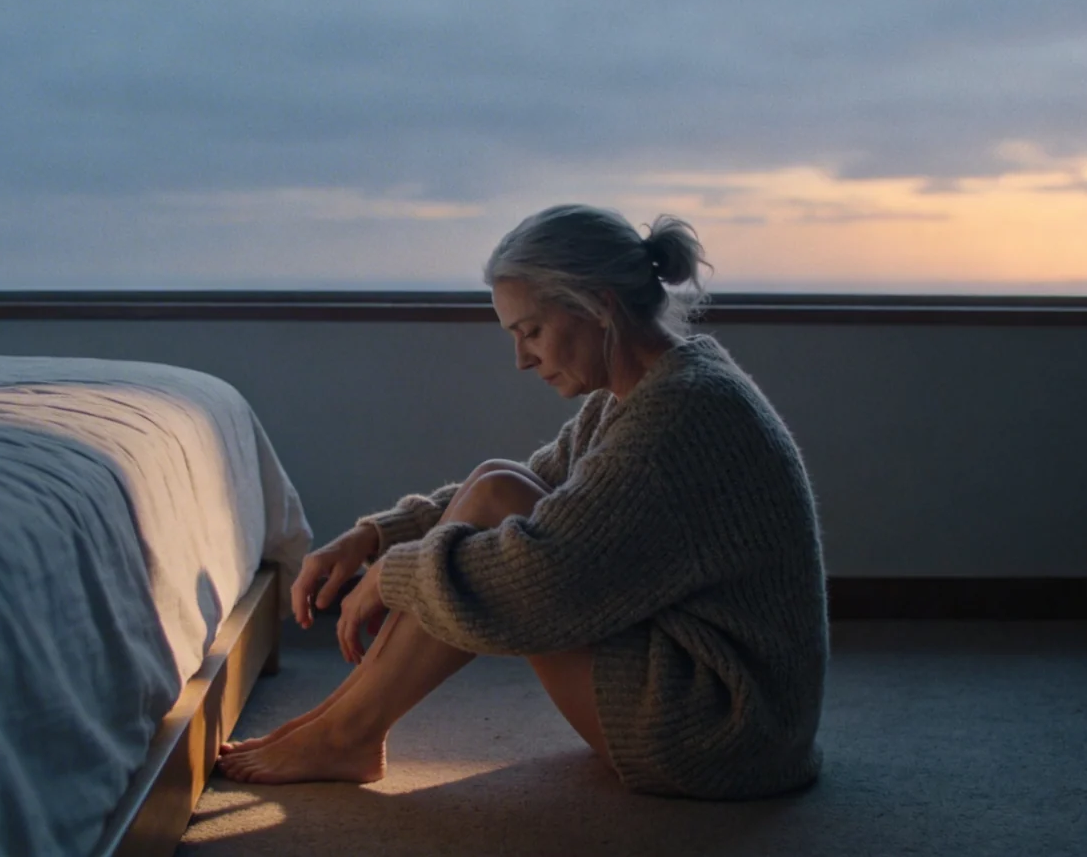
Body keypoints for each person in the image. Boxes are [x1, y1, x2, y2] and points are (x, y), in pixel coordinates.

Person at [217, 204, 828, 799]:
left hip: (724, 731)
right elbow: (527, 487)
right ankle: (341, 725)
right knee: (495, 484)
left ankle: (345, 732)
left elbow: (536, 579)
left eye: (531, 331)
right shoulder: (643, 394)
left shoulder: (680, 416)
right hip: (723, 702)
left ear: (599, 305)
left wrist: (391, 574)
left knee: (495, 517)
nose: (520, 358)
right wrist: (376, 537)